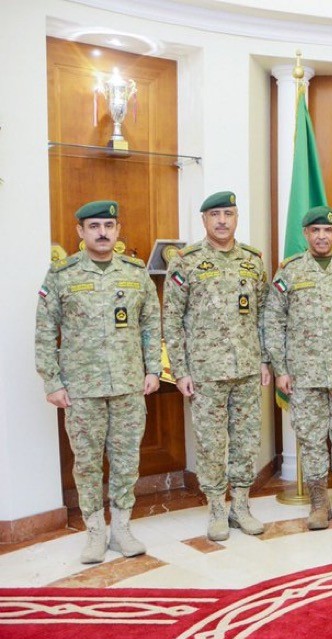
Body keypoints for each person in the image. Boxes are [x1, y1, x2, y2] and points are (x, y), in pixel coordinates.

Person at [35, 200, 161, 564]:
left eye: (108, 225)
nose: (102, 232)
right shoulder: (62, 275)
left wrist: (153, 369)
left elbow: (151, 324)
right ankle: (93, 530)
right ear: (80, 231)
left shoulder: (136, 274)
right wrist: (52, 382)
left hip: (127, 385)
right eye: (94, 226)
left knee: (126, 459)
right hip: (81, 389)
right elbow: (44, 331)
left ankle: (121, 527)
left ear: (118, 229)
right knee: (87, 462)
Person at [163, 190, 271, 541]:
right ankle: (215, 507)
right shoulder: (186, 261)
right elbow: (172, 319)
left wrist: (266, 360)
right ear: (204, 220)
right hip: (206, 371)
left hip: (246, 367)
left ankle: (240, 505)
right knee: (210, 443)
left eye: (228, 213)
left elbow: (264, 316)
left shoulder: (253, 261)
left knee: (246, 440)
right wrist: (180, 370)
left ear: (236, 217)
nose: (222, 220)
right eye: (215, 215)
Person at [263, 206, 332, 530]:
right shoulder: (290, 272)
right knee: (311, 440)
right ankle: (317, 503)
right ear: (306, 235)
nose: (322, 236)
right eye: (315, 231)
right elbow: (274, 321)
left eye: (327, 231)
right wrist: (281, 369)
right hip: (305, 374)